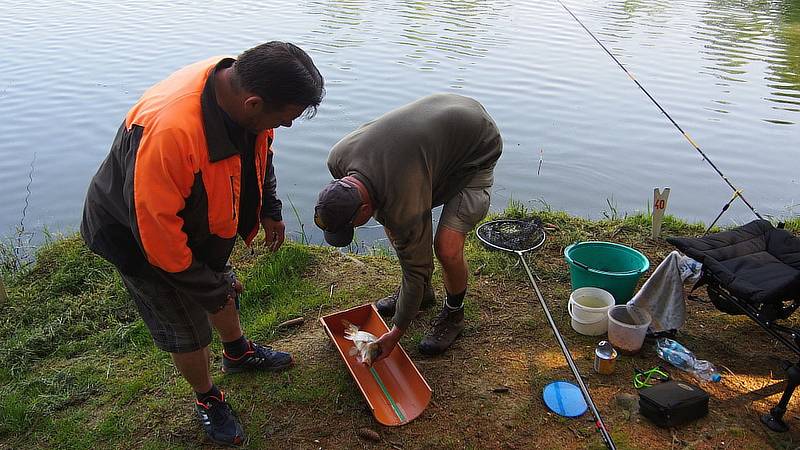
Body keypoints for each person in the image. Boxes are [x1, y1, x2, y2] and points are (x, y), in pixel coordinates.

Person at [80, 42, 324, 446]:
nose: (288, 125)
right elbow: (157, 240)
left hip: (191, 220)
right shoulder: (170, 132)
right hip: (137, 237)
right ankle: (208, 398)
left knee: (220, 285)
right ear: (254, 103)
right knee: (187, 323)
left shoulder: (239, 87)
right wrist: (209, 287)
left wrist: (270, 207)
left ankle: (238, 353)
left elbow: (261, 152)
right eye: (286, 117)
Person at [313, 93, 502, 363]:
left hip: (477, 144)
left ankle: (454, 312)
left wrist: (395, 332)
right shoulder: (338, 159)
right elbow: (392, 218)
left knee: (446, 248)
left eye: (352, 224)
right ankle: (422, 296)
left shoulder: (405, 199)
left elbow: (417, 268)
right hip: (439, 131)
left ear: (363, 209)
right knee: (396, 223)